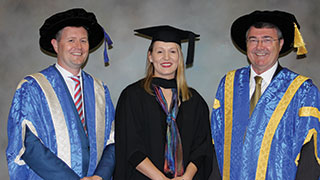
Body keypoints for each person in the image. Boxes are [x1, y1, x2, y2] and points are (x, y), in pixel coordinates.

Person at [6, 8, 115, 180]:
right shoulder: (33, 87)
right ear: (56, 45)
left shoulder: (100, 90)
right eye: (71, 40)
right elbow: (28, 144)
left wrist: (100, 176)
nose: (78, 47)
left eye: (83, 41)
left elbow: (113, 139)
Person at [211, 10, 320, 180]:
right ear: (246, 44)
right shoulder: (229, 85)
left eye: (267, 40)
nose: (259, 47)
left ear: (281, 43)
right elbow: (217, 141)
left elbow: (310, 155)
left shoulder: (302, 91)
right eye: (253, 40)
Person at [114, 25, 218, 180]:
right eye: (160, 51)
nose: (166, 58)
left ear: (180, 57)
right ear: (150, 56)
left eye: (172, 51)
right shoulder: (132, 96)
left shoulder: (194, 100)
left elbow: (202, 147)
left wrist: (187, 177)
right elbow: (130, 145)